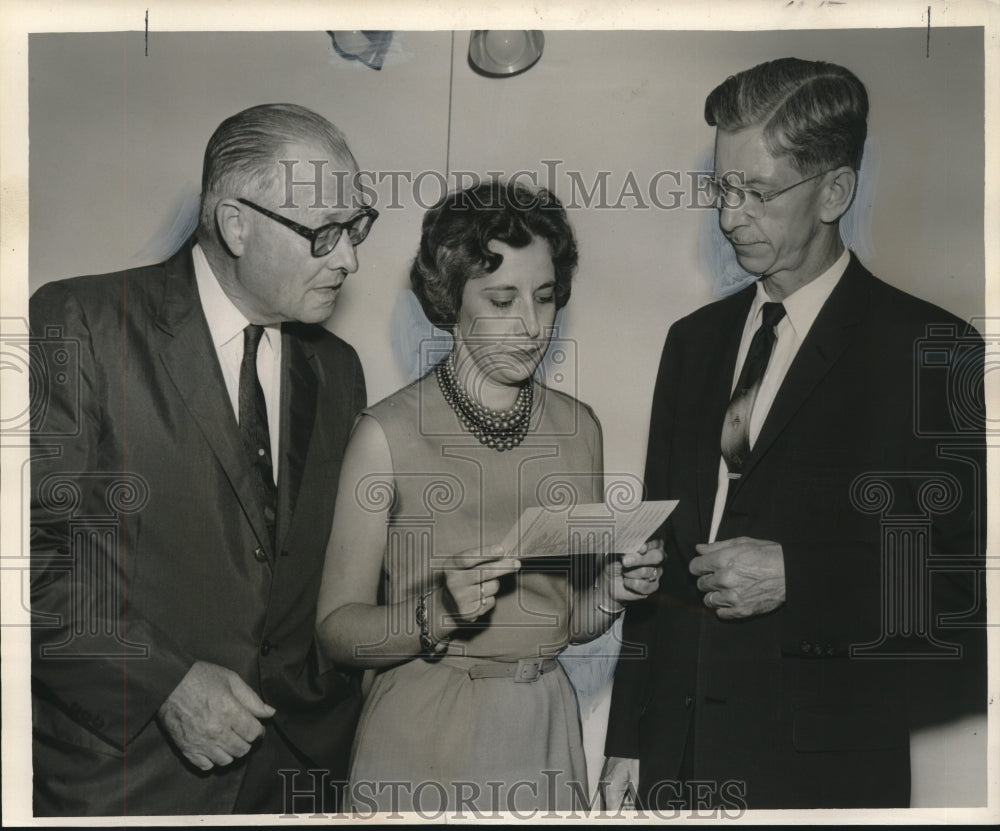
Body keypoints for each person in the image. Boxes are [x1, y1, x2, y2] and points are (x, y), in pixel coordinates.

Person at [602, 58, 986, 810]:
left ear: (834, 191)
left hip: (824, 776)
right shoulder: (693, 342)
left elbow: (960, 594)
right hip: (675, 767)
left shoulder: (931, 349)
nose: (728, 215)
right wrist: (628, 736)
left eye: (757, 192)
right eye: (721, 189)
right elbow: (660, 557)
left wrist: (800, 578)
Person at [29, 103, 375, 815]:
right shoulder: (81, 324)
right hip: (128, 777)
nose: (350, 258)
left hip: (295, 777)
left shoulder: (339, 369)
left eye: (357, 226)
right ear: (235, 223)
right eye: (325, 233)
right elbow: (23, 555)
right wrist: (165, 682)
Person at [315, 180, 664, 813]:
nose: (531, 326)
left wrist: (612, 592)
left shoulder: (579, 429)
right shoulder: (384, 434)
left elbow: (566, 619)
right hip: (423, 729)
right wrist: (439, 614)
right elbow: (338, 632)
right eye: (502, 300)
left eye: (546, 297)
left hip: (544, 730)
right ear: (450, 300)